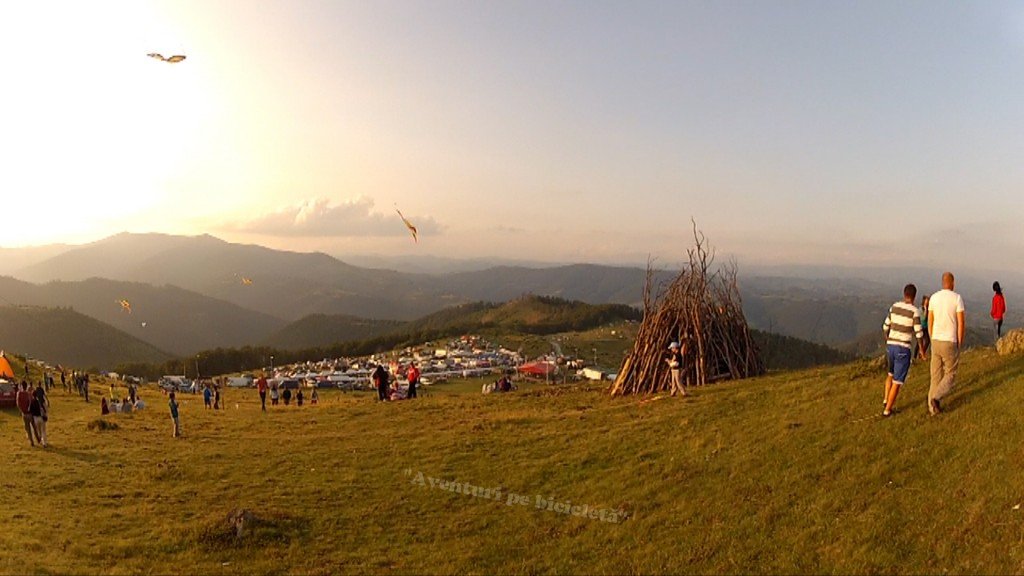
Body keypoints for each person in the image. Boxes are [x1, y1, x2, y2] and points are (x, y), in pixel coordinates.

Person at [882, 284, 926, 416]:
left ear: (904, 294)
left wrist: (888, 339)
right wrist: (922, 351)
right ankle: (887, 410)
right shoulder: (914, 311)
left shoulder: (894, 306)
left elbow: (885, 326)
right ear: (914, 296)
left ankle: (886, 399)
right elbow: (918, 333)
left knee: (890, 374)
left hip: (890, 346)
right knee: (897, 380)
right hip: (903, 348)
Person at [928, 272, 966, 415]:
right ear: (953, 283)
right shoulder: (957, 298)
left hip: (936, 340)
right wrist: (959, 342)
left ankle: (932, 410)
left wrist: (932, 338)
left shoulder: (934, 297)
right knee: (951, 373)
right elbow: (961, 322)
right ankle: (936, 398)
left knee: (935, 376)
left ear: (942, 282)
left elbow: (930, 320)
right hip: (950, 340)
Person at [17, 381, 38, 446]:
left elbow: (18, 403)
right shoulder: (29, 394)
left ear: (21, 386)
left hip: (24, 413)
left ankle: (31, 441)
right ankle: (38, 438)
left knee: (28, 428)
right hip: (30, 413)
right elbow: (32, 402)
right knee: (34, 427)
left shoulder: (19, 393)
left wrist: (21, 410)